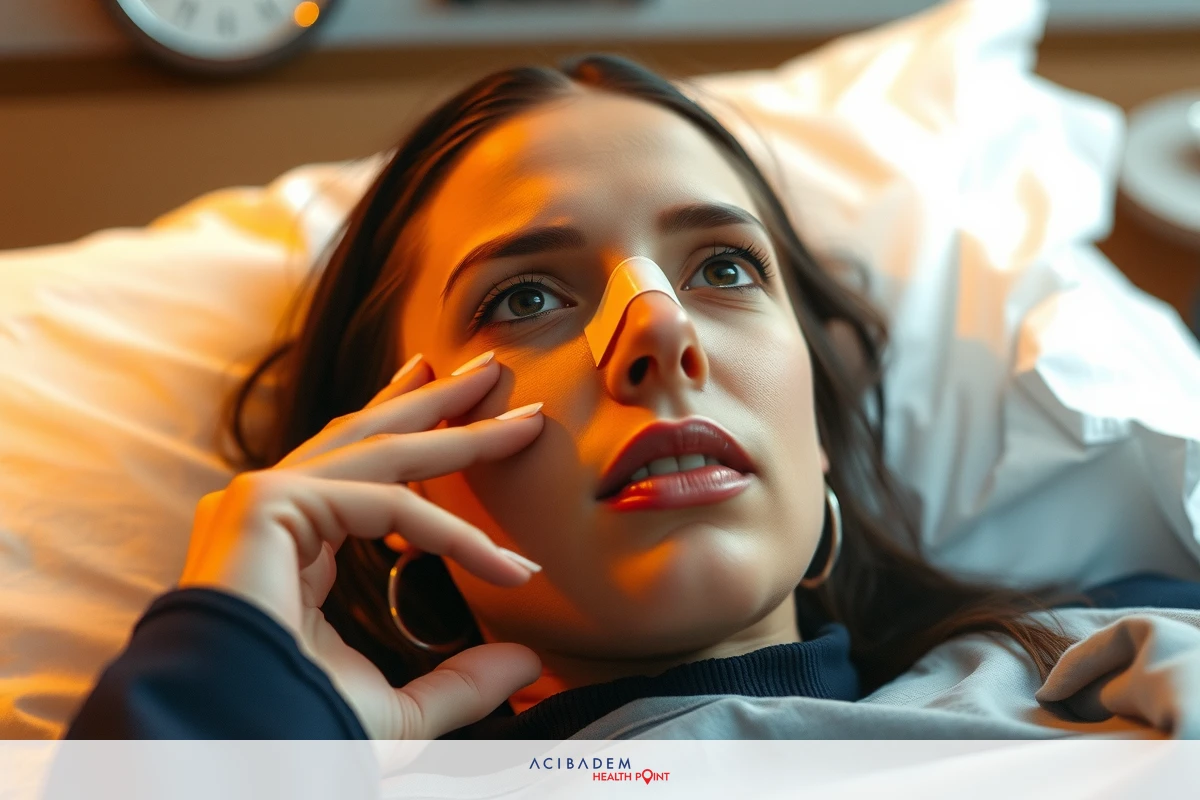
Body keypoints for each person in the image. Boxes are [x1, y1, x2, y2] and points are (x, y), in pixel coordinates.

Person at [66, 55, 1200, 741]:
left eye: (726, 269)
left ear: (816, 413)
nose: (657, 330)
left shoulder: (1116, 655)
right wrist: (244, 698)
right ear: (398, 477)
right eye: (524, 298)